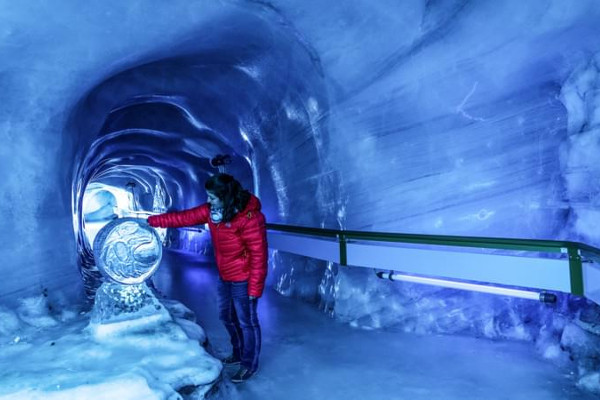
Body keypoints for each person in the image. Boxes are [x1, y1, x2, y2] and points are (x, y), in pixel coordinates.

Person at [147, 173, 268, 383]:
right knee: (226, 317)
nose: (209, 201)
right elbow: (183, 217)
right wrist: (152, 221)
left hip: (244, 278)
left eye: (213, 197)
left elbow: (259, 255)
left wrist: (254, 290)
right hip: (225, 275)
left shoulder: (249, 218)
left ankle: (248, 364)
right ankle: (238, 353)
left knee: (247, 322)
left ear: (226, 196)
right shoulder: (213, 212)